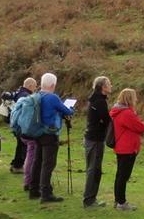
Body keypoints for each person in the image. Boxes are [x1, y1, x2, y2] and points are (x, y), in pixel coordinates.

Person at [34, 73, 75, 203]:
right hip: (50, 134)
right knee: (48, 164)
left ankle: (34, 189)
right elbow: (68, 111)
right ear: (53, 85)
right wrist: (71, 108)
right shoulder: (52, 97)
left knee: (38, 161)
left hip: (37, 132)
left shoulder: (36, 95)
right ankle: (46, 194)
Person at [109, 88, 144, 210]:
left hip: (121, 146)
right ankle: (121, 202)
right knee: (123, 176)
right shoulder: (127, 113)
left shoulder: (118, 111)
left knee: (120, 174)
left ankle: (118, 200)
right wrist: (142, 123)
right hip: (128, 147)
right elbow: (141, 127)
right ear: (130, 99)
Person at [83, 76, 113, 208]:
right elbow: (106, 120)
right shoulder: (100, 102)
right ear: (103, 87)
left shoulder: (96, 99)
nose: (111, 86)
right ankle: (89, 200)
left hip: (93, 137)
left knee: (94, 168)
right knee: (94, 169)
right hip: (95, 139)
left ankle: (91, 198)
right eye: (109, 84)